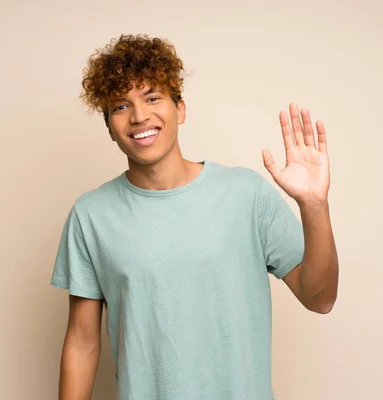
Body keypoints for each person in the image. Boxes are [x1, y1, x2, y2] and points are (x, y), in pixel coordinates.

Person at [50, 34, 339, 400]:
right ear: (109, 126)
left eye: (152, 97)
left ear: (180, 109)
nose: (140, 116)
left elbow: (320, 298)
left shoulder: (244, 193)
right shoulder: (90, 215)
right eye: (120, 106)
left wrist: (314, 206)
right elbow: (81, 343)